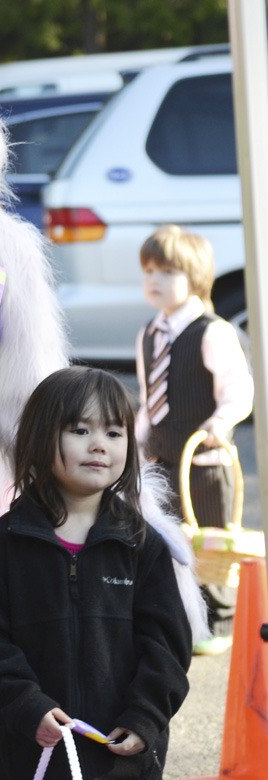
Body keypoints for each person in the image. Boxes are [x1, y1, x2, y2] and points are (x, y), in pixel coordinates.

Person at [0, 366, 192, 780]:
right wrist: (25, 704)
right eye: (80, 430)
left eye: (114, 431)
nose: (99, 444)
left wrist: (145, 717)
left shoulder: (141, 544)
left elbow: (166, 646)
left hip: (116, 760)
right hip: (35, 755)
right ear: (41, 439)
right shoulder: (4, 546)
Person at [135, 225, 254, 654]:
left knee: (210, 540)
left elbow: (238, 391)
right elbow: (150, 401)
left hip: (203, 463)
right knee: (170, 541)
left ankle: (219, 624)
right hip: (163, 460)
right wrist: (135, 443)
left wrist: (220, 423)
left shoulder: (212, 331)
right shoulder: (149, 334)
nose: (154, 281)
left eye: (166, 271)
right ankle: (181, 620)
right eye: (148, 271)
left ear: (196, 276)